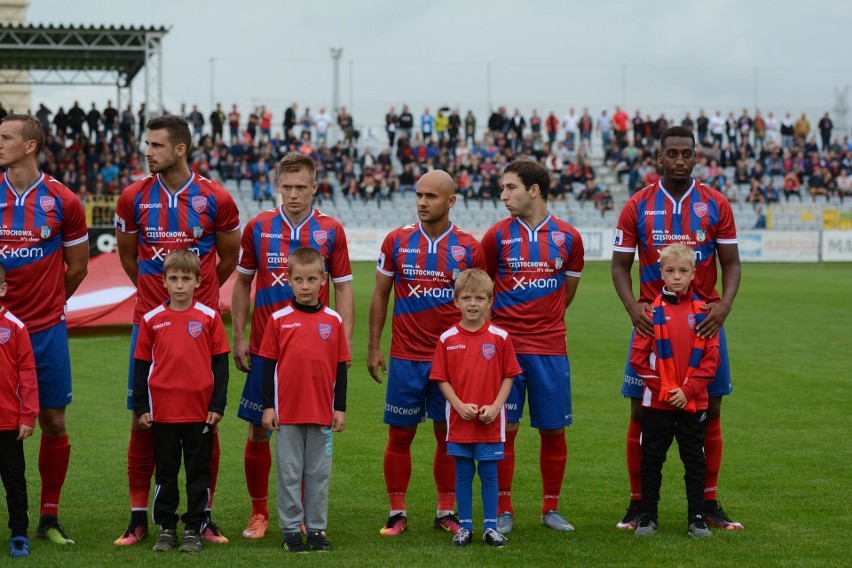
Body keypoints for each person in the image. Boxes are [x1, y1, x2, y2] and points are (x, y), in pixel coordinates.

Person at [114, 114, 240, 546]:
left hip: (201, 326)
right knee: (142, 420)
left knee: (207, 422)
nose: (147, 151)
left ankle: (201, 517)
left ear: (180, 149)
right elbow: (129, 260)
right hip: (150, 320)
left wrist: (197, 303)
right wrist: (157, 302)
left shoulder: (215, 198)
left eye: (155, 145)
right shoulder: (132, 197)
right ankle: (138, 517)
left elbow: (227, 259)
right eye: (146, 144)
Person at [611, 125, 743, 532]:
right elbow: (619, 266)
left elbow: (732, 264)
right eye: (673, 154)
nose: (680, 160)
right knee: (642, 412)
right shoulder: (638, 204)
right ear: (660, 157)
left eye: (687, 153)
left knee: (711, 410)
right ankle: (638, 505)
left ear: (696, 156)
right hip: (653, 326)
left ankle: (707, 504)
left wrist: (724, 306)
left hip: (704, 325)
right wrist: (634, 307)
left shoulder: (715, 203)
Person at [232, 152, 354, 540]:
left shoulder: (331, 229)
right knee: (259, 432)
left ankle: (302, 516)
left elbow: (344, 287)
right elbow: (241, 283)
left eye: (302, 187)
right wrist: (239, 334)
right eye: (287, 187)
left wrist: (344, 340)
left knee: (311, 435)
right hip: (269, 352)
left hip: (316, 353)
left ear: (315, 187)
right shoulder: (258, 226)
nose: (294, 194)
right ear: (277, 187)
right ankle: (259, 513)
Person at [367, 169, 486, 537]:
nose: (422, 202)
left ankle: (444, 510)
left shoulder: (468, 246)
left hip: (452, 361)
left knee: (446, 436)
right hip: (406, 357)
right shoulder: (397, 241)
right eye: (419, 194)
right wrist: (373, 346)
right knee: (399, 436)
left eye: (431, 196)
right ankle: (397, 511)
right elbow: (381, 294)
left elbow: (480, 303)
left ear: (451, 201)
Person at [480, 159, 584, 535]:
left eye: (511, 187)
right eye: (503, 188)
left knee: (553, 431)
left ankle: (550, 509)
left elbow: (565, 295)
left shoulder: (569, 238)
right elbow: (482, 289)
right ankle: (504, 509)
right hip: (504, 350)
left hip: (550, 349)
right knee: (504, 431)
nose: (503, 195)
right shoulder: (495, 237)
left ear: (534, 190)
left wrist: (543, 323)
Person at [0, 114, 89, 545]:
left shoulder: (63, 200)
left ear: (30, 146)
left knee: (53, 420)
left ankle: (49, 519)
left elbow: (78, 267)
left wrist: (50, 303)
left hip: (45, 329)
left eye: (5, 137)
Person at [133, 250, 230, 553]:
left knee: (198, 473)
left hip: (200, 413)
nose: (179, 285)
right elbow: (140, 366)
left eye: (185, 279)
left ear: (198, 281)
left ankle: (194, 527)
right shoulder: (152, 320)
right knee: (166, 472)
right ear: (163, 282)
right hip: (163, 413)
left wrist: (217, 405)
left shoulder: (209, 317)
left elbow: (220, 365)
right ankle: (166, 527)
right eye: (173, 278)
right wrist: (141, 407)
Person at [259, 247, 350, 553]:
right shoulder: (279, 320)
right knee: (288, 473)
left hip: (322, 414)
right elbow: (267, 367)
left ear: (323, 280)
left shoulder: (334, 320)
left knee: (318, 474)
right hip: (287, 414)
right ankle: (290, 530)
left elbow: (341, 367)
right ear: (289, 280)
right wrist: (268, 406)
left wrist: (340, 408)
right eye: (299, 279)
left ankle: (316, 529)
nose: (306, 286)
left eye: (312, 279)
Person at [630, 243, 718, 539]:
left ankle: (696, 517)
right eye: (670, 271)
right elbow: (638, 360)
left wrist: (688, 391)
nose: (676, 276)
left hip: (694, 401)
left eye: (683, 271)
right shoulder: (650, 313)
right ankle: (648, 516)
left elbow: (710, 362)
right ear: (661, 273)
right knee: (652, 458)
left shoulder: (705, 312)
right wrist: (666, 390)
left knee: (694, 459)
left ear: (694, 274)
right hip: (658, 402)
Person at [429, 269, 520, 548]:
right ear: (455, 301)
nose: (472, 303)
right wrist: (457, 405)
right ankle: (465, 527)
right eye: (466, 297)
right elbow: (441, 379)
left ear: (490, 301)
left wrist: (495, 407)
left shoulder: (500, 337)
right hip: (460, 421)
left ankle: (490, 528)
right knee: (464, 473)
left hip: (490, 420)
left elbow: (509, 376)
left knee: (490, 473)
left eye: (479, 298)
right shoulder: (447, 339)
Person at [0, 262, 39, 558]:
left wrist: (27, 416)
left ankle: (19, 534)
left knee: (14, 480)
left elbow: (27, 373)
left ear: (2, 289)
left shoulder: (15, 326)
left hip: (8, 424)